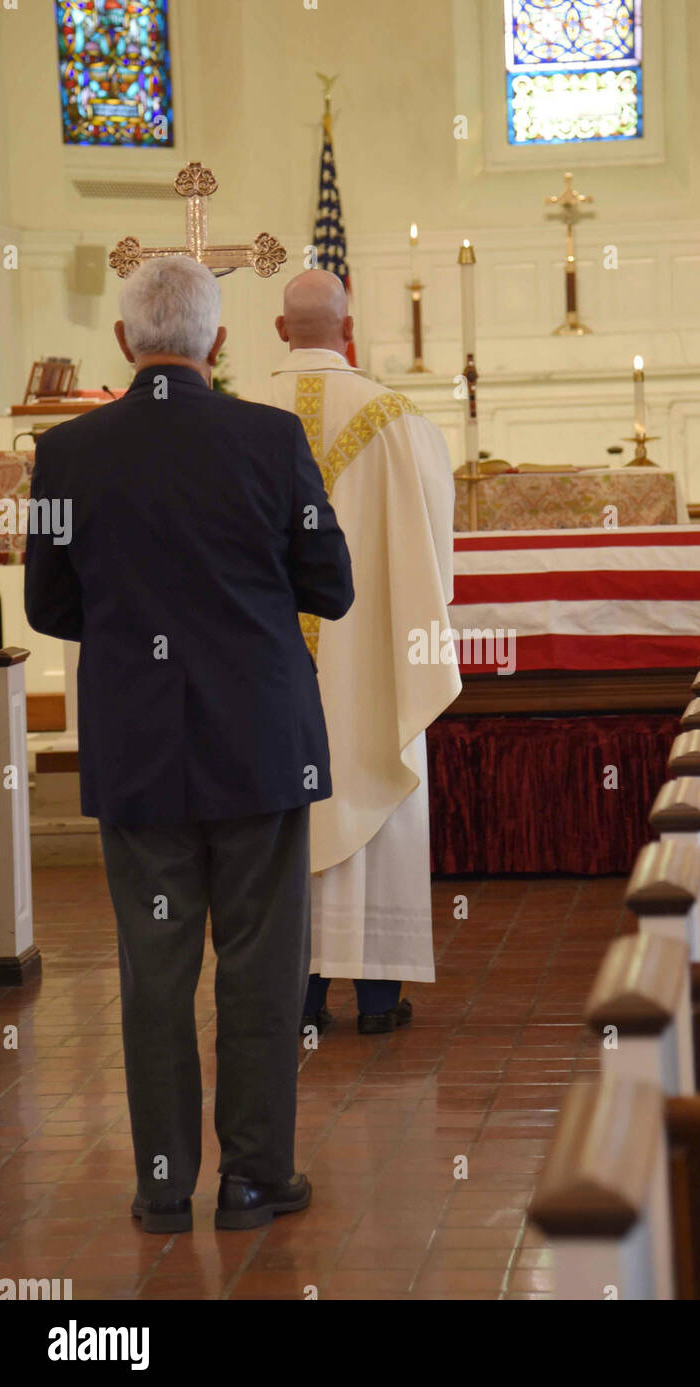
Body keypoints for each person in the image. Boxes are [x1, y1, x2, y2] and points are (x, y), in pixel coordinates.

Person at [25, 256, 353, 1233]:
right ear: (218, 343)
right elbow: (327, 584)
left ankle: (162, 1185)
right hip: (261, 741)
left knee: (154, 969)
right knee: (261, 965)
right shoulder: (271, 436)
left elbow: (48, 602)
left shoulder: (64, 453)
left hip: (138, 747)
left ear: (125, 344)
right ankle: (255, 1178)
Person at [264, 269, 460, 1035]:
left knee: (283, 814)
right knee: (380, 778)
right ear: (350, 327)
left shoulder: (239, 419)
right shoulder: (401, 419)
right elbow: (434, 556)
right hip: (377, 658)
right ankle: (379, 1000)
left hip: (270, 668)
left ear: (281, 331)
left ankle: (299, 996)